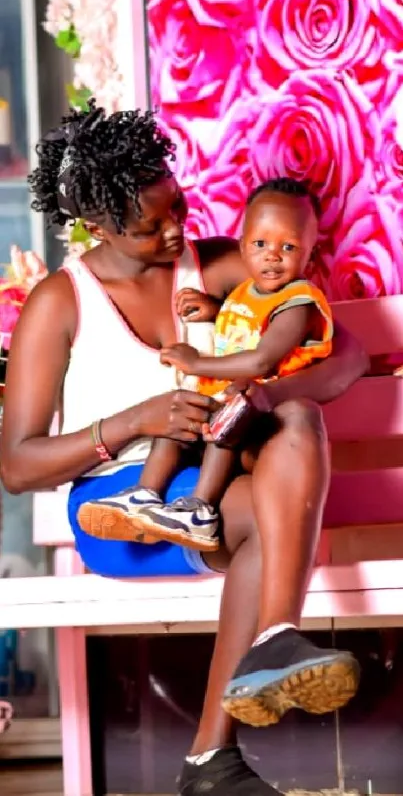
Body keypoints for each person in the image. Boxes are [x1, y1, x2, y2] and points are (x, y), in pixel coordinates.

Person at [0, 101, 368, 795]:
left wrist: (259, 395)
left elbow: (344, 355)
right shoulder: (61, 302)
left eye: (180, 208)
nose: (176, 232)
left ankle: (266, 660)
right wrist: (137, 420)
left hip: (206, 495)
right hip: (120, 508)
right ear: (98, 226)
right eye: (149, 226)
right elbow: (17, 466)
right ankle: (217, 747)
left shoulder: (219, 265)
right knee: (268, 515)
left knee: (294, 416)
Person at [77, 179, 333, 554]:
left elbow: (263, 358)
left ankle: (200, 509)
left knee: (222, 426)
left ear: (310, 256)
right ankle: (145, 496)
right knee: (177, 417)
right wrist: (215, 308)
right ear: (243, 246)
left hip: (265, 413)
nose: (273, 256)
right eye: (260, 245)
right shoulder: (248, 292)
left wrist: (199, 361)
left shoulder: (299, 302)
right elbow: (245, 320)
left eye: (289, 247)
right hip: (230, 395)